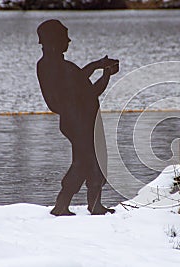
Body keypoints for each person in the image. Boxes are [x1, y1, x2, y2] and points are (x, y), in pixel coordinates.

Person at [36, 19, 119, 216]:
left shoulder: (48, 65)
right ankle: (64, 205)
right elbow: (91, 90)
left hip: (74, 121)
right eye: (65, 37)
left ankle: (92, 204)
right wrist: (107, 74)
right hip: (80, 122)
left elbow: (78, 79)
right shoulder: (63, 68)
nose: (69, 41)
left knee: (89, 160)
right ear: (55, 40)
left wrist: (96, 65)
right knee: (88, 162)